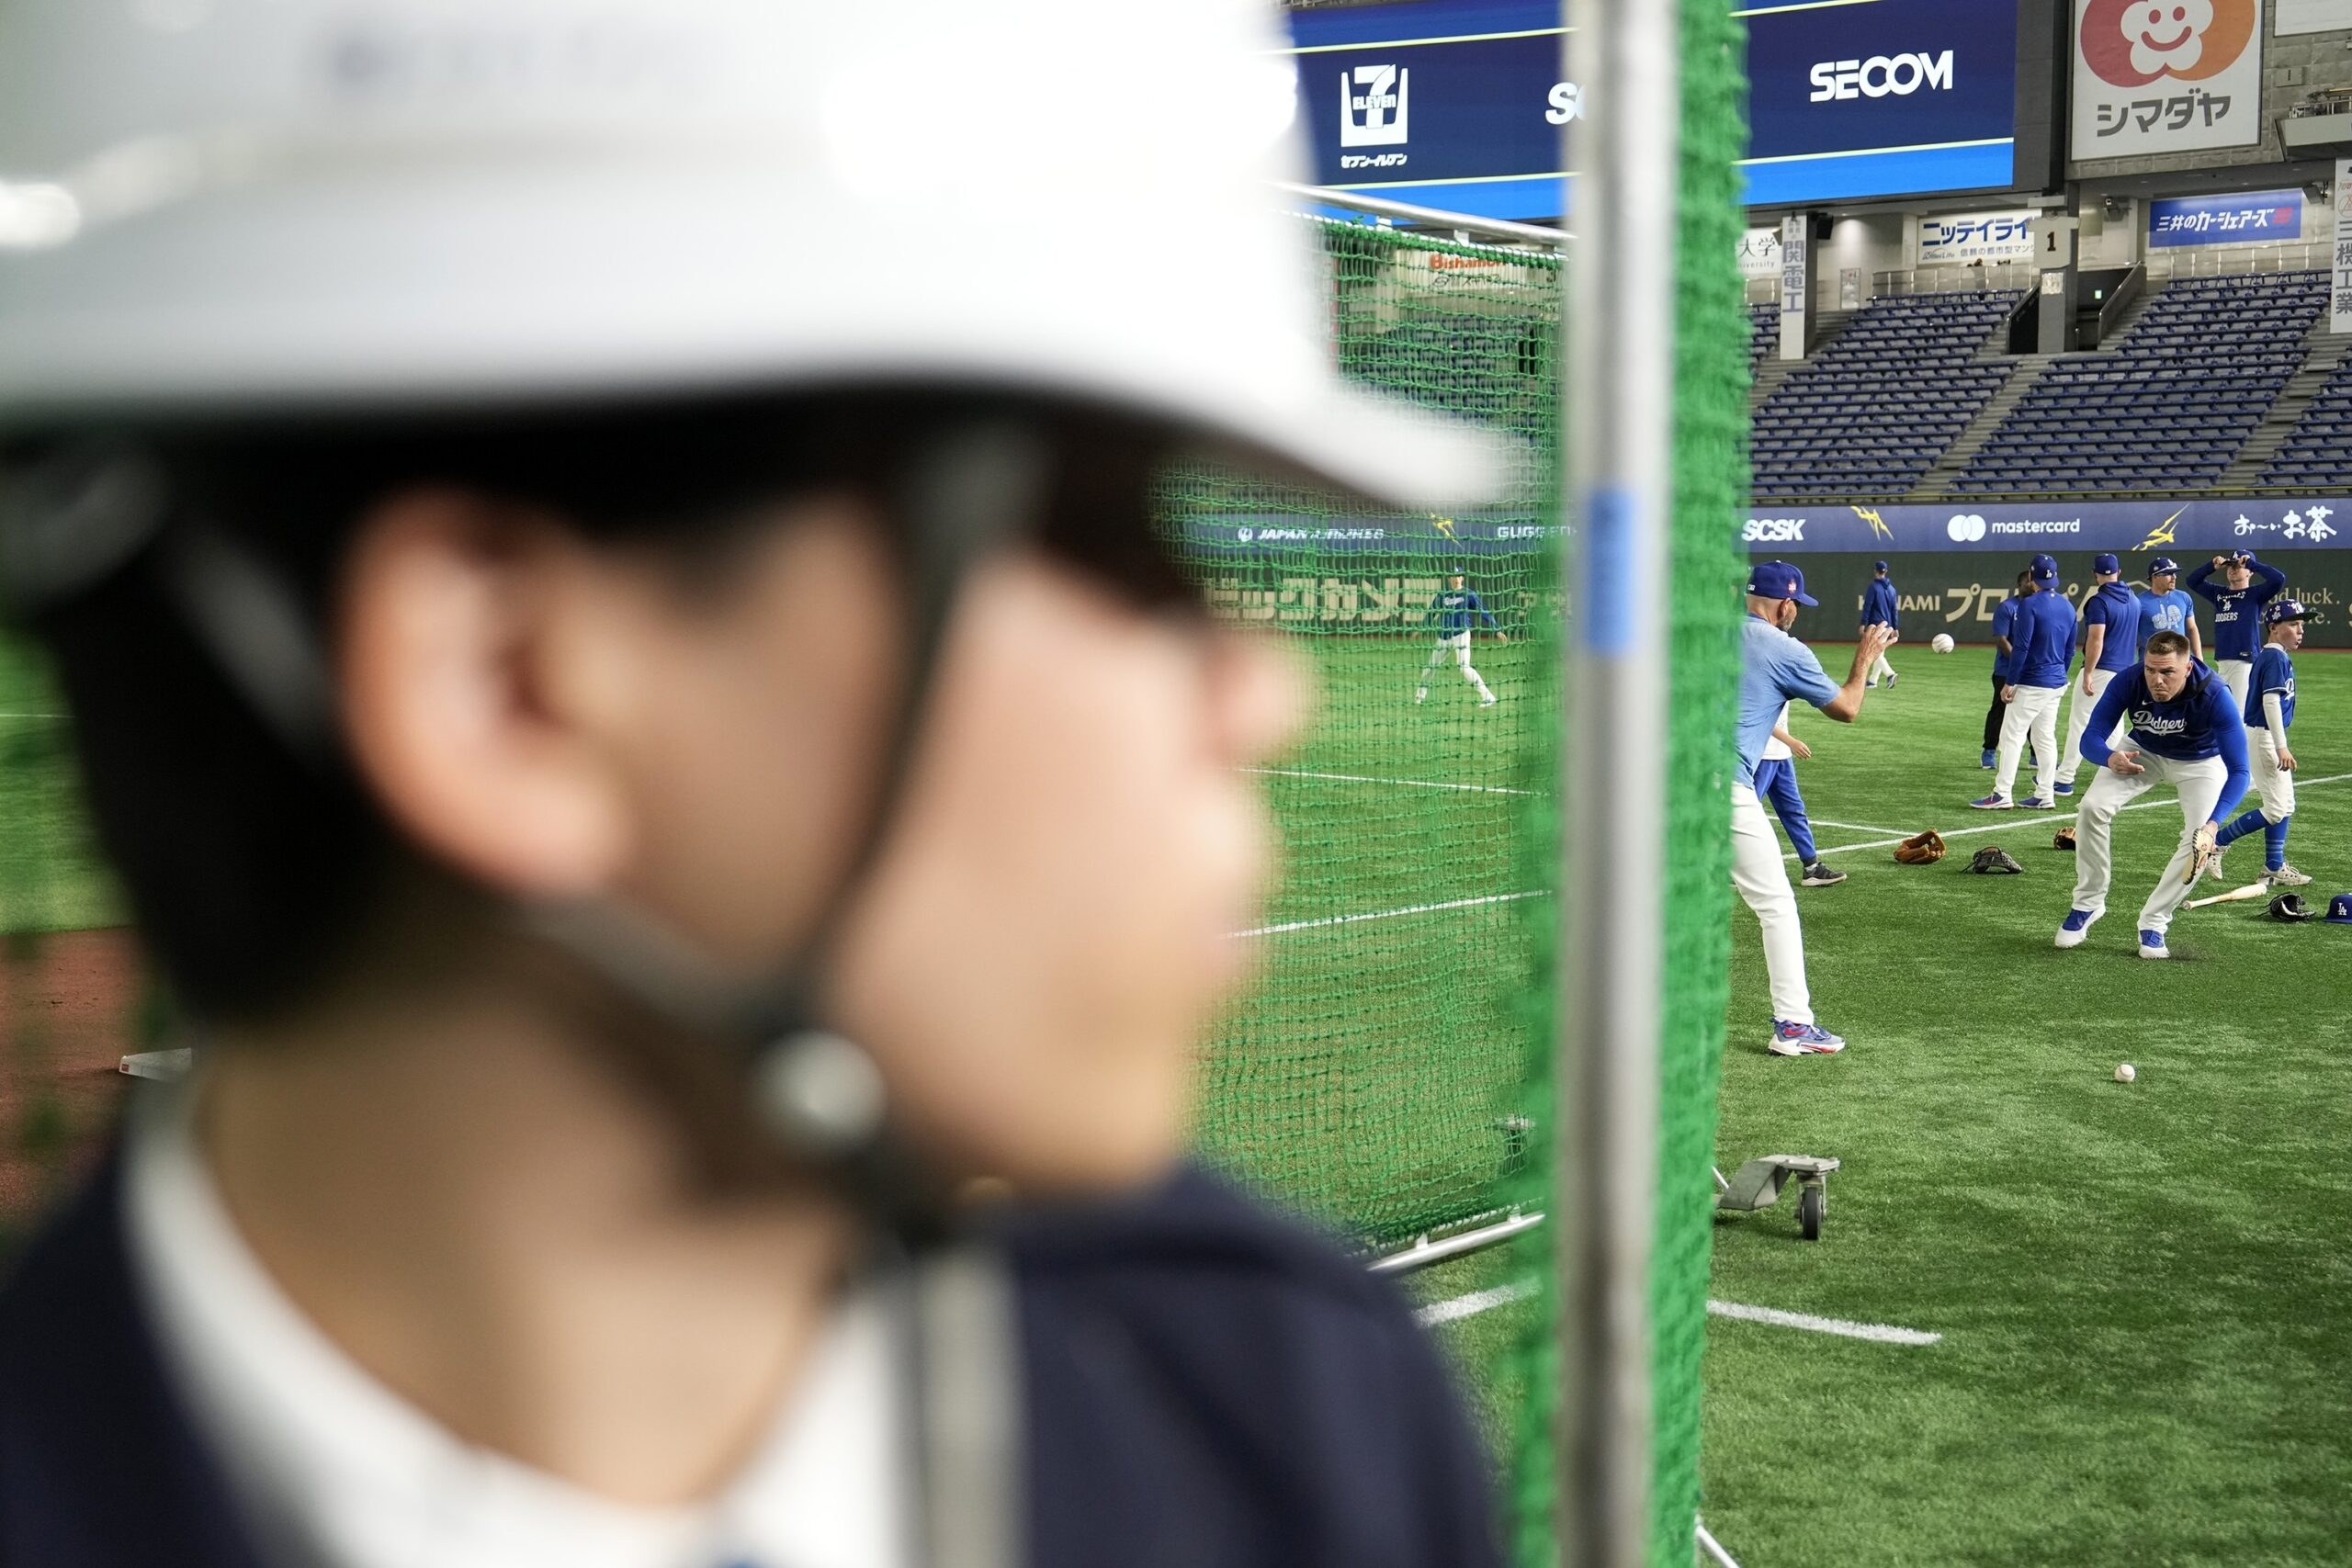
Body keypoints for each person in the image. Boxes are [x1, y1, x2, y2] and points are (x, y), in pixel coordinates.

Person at [0, 3, 1513, 1565]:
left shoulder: (1296, 1414)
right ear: (508, 689)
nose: (1265, 687)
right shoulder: (1262, 1418)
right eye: (1106, 528)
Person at [1734, 562, 1895, 1055]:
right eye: (1796, 606)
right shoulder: (1784, 647)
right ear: (1785, 604)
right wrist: (1865, 658)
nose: (1796, 614)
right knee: (1776, 906)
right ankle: (1794, 1025)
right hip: (1718, 789)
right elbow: (1847, 707)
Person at [2054, 632, 2251, 960]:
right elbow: (2091, 736)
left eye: (2167, 672)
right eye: (2150, 670)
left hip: (2200, 761)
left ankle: (2155, 922)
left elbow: (2241, 771)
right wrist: (2108, 757)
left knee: (2198, 839)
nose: (2157, 680)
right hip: (2141, 751)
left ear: (2188, 668)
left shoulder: (2215, 694)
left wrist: (2215, 824)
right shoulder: (2128, 681)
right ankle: (2087, 904)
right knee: (2092, 807)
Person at [2211, 599, 2312, 889]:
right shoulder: (2274, 658)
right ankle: (2217, 842)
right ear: (2274, 628)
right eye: (2293, 624)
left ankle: (2273, 866)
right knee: (2276, 809)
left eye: (2301, 624)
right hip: (2265, 737)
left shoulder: (2274, 656)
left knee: (2285, 804)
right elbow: (2270, 702)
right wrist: (2281, 746)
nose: (2299, 630)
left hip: (2265, 736)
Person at [1974, 555, 2073, 811]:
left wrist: (2011, 681)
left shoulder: (2028, 605)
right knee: (2044, 738)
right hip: (2056, 681)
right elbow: (2071, 649)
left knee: (2012, 736)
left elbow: (2022, 647)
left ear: (2031, 577)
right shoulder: (2068, 606)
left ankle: (2002, 793)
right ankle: (2045, 793)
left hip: (2032, 682)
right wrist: (2060, 674)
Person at [2055, 553, 2141, 795]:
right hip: (2127, 670)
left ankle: (2064, 778)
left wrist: (2088, 673)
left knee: (2080, 723)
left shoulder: (2099, 601)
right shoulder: (2133, 599)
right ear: (2118, 572)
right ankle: (2114, 773)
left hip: (2103, 668)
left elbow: (2096, 639)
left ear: (2095, 574)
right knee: (2114, 726)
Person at [1754, 705, 1847, 888]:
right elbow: (1757, 715)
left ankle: (1812, 869)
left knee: (1795, 811)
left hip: (1780, 756)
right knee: (1744, 814)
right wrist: (1791, 741)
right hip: (1759, 756)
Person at [2186, 550, 2288, 708]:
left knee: (2237, 710)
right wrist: (2211, 566)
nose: (2233, 569)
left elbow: (2278, 579)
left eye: (2238, 566)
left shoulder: (2255, 594)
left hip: (2244, 660)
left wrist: (2251, 564)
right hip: (2222, 659)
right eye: (2230, 566)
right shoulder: (2219, 594)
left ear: (2249, 572)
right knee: (2220, 709)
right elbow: (2192, 581)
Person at [1416, 569, 1505, 707]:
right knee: (1430, 667)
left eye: (1458, 575)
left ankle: (1488, 696)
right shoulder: (1443, 595)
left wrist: (1497, 629)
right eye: (1453, 576)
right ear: (1449, 579)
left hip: (1461, 635)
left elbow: (1484, 611)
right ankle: (1419, 697)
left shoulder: (1468, 594)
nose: (1456, 578)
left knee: (1464, 667)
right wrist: (1420, 628)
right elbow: (1431, 613)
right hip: (1444, 637)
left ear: (1462, 578)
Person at [1982, 570, 2033, 769]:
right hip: (2006, 670)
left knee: (2032, 712)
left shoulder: (2038, 607)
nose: (2030, 585)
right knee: (1999, 711)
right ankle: (1989, 751)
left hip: (2031, 672)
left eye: (2032, 581)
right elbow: (2001, 639)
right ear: (2018, 585)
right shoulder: (2007, 607)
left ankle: (2035, 755)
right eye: (2026, 582)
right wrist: (2019, 661)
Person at [2132, 556, 2199, 661]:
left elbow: (2192, 628)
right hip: (2151, 663)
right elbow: (2130, 634)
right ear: (2154, 577)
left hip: (2179, 661)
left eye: (2174, 573)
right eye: (2169, 574)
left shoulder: (2184, 597)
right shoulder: (2139, 602)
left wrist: (2199, 657)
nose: (2174, 577)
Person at [1861, 561, 1899, 689]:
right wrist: (1895, 627)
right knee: (1879, 652)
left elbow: (1868, 606)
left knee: (1875, 652)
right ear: (1885, 571)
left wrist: (1863, 623)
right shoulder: (1892, 589)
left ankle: (1890, 674)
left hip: (1876, 625)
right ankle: (1873, 680)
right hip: (1888, 625)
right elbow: (1894, 610)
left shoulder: (1873, 587)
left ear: (1875, 570)